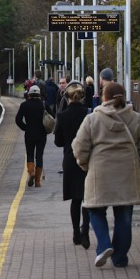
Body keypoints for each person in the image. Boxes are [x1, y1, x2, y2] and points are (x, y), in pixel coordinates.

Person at [72, 82, 140, 268]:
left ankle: (104, 246)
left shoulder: (92, 119)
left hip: (99, 173)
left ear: (104, 97)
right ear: (123, 96)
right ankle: (119, 258)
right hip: (127, 173)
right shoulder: (136, 118)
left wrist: (85, 165)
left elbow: (79, 147)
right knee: (124, 216)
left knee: (95, 210)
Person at [54, 81, 90, 249]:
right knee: (88, 199)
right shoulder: (89, 114)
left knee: (76, 199)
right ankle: (85, 232)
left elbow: (58, 142)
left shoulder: (62, 116)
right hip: (88, 160)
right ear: (82, 97)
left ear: (67, 97)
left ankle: (76, 233)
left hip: (70, 159)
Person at [15, 85, 49, 187]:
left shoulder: (24, 105)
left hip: (29, 134)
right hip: (42, 134)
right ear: (39, 94)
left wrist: (25, 127)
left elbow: (18, 120)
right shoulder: (43, 105)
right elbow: (52, 116)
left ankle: (31, 172)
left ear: (29, 94)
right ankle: (37, 182)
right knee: (39, 156)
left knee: (30, 155)